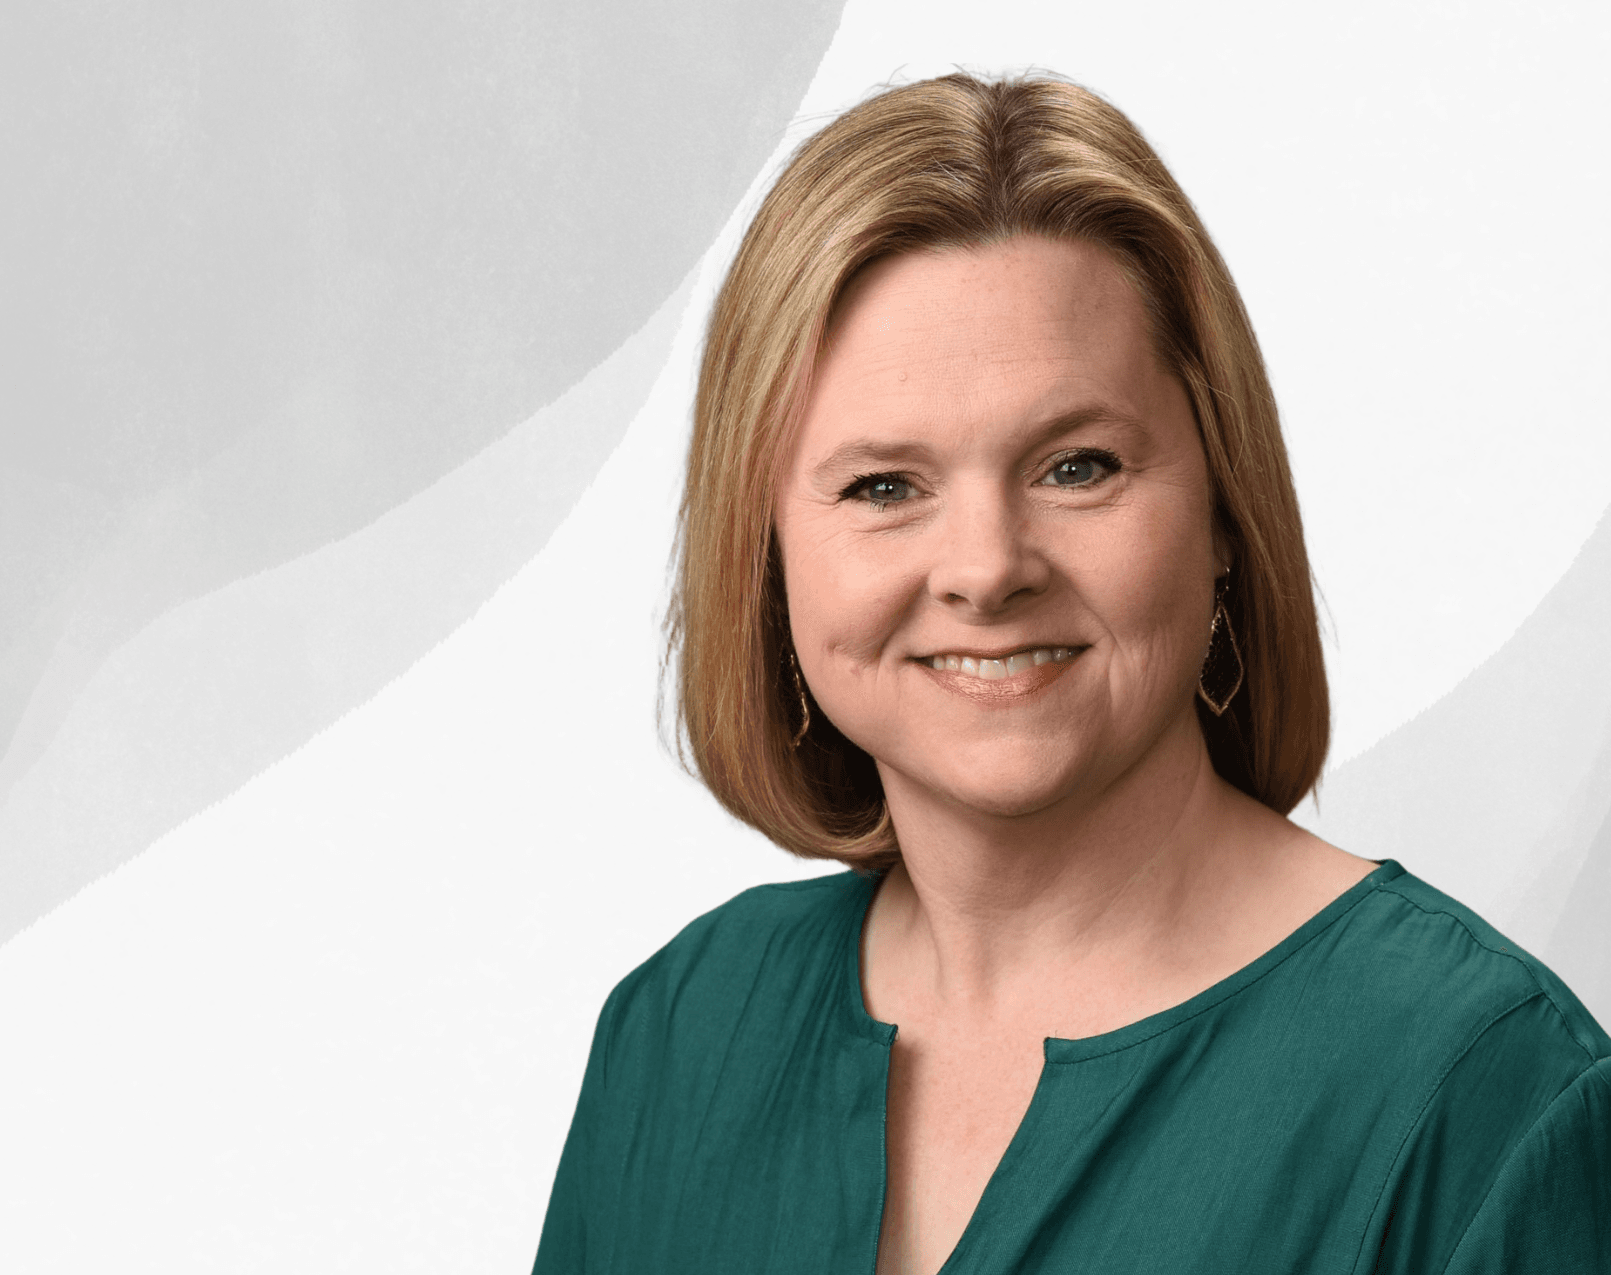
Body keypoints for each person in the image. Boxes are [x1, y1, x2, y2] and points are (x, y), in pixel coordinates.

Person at [532, 71, 1610, 1273]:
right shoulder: (681, 1035)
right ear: (766, 550)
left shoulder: (1482, 1090)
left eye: (1078, 466)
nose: (986, 570)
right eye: (885, 487)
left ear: (1221, 516)